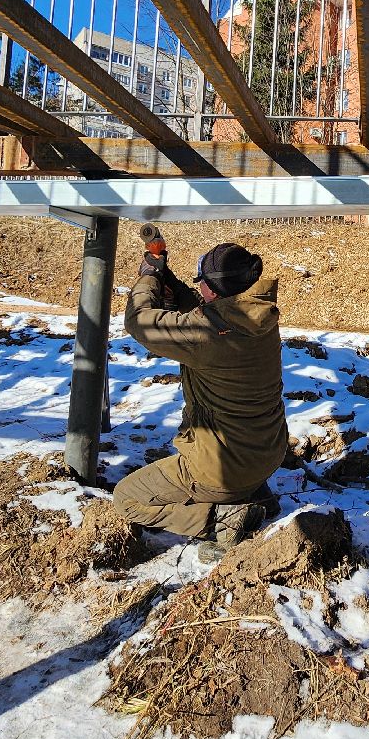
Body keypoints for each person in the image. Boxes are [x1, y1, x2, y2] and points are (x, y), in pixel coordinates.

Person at [114, 240, 287, 563]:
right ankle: (253, 493)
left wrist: (148, 278)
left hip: (221, 469)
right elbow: (204, 311)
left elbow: (140, 321)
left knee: (127, 499)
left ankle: (223, 518)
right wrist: (171, 281)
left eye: (203, 285)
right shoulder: (259, 316)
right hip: (267, 452)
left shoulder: (208, 334)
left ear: (214, 289)